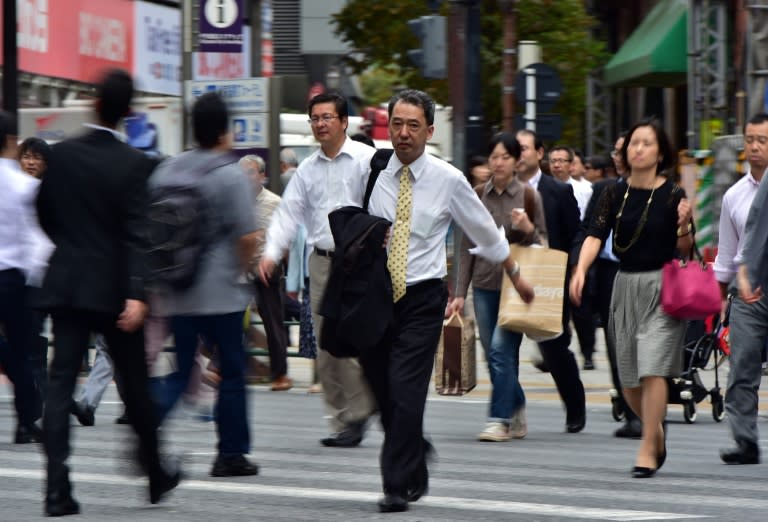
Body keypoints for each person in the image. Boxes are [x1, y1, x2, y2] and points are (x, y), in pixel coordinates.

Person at [362, 90, 534, 513]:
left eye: (413, 125)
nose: (403, 133)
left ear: (430, 131)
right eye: (397, 124)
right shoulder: (372, 170)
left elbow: (483, 231)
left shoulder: (448, 179)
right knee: (382, 393)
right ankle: (414, 449)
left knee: (405, 391)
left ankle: (396, 484)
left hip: (422, 297)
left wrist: (514, 272)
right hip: (376, 296)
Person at [35, 69, 180, 516]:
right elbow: (139, 234)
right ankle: (155, 475)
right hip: (117, 290)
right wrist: (137, 292)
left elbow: (43, 213)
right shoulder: (135, 164)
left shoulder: (61, 156)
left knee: (60, 386)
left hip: (69, 284)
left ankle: (57, 489)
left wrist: (71, 247)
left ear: (94, 103)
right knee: (135, 387)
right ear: (128, 114)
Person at [570, 117, 693, 478]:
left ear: (660, 153)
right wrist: (580, 269)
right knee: (628, 380)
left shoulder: (673, 194)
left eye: (646, 143)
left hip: (662, 286)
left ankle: (646, 447)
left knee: (653, 368)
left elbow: (685, 249)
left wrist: (684, 223)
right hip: (623, 286)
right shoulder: (611, 192)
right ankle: (657, 431)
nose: (637, 149)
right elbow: (595, 234)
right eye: (633, 143)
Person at [259, 92, 377, 448]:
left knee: (356, 341)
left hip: (361, 263)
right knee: (326, 347)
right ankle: (344, 421)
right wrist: (270, 252)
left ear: (344, 122)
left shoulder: (366, 159)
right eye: (316, 118)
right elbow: (287, 215)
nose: (321, 124)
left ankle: (362, 410)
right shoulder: (307, 169)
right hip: (322, 263)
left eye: (328, 117)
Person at [150, 92, 259, 477]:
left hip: (178, 291)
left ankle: (149, 416)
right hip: (222, 294)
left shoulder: (166, 171)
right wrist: (239, 271)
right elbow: (248, 237)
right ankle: (230, 454)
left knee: (182, 372)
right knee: (230, 370)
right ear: (225, 130)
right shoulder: (231, 175)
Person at [450, 132, 546, 442]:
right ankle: (516, 404)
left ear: (518, 161)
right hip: (483, 284)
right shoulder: (477, 195)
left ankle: (499, 419)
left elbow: (545, 246)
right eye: (494, 157)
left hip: (517, 288)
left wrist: (528, 229)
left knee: (500, 351)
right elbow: (465, 246)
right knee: (493, 354)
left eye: (505, 156)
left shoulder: (530, 196)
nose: (499, 162)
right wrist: (459, 293)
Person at [515, 129, 587, 433]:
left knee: (554, 348)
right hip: (511, 275)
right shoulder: (504, 190)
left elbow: (576, 234)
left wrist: (573, 268)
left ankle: (574, 405)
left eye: (524, 148)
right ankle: (508, 413)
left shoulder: (558, 191)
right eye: (513, 149)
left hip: (548, 276)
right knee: (502, 350)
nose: (519, 154)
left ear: (539, 153)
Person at [572, 132, 642, 439]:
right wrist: (580, 268)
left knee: (644, 345)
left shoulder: (660, 192)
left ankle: (649, 412)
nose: (616, 157)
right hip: (609, 273)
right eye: (614, 152)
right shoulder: (605, 190)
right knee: (617, 345)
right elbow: (589, 231)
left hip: (645, 273)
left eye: (620, 151)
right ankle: (632, 413)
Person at [717, 113, 768, 465]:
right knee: (742, 367)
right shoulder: (733, 195)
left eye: (762, 139)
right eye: (750, 139)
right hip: (748, 293)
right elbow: (726, 253)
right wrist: (720, 296)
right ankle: (745, 440)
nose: (754, 146)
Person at [0, 112, 45, 445]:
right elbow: (36, 239)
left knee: (12, 352)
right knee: (23, 349)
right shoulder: (25, 185)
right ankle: (26, 422)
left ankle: (28, 413)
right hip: (15, 280)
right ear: (11, 142)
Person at [239, 154, 292, 391]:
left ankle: (280, 373)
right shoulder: (235, 202)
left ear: (262, 175)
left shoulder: (275, 202)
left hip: (266, 268)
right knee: (230, 318)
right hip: (239, 269)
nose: (245, 178)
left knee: (273, 322)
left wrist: (279, 263)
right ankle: (222, 367)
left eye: (250, 172)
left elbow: (284, 238)